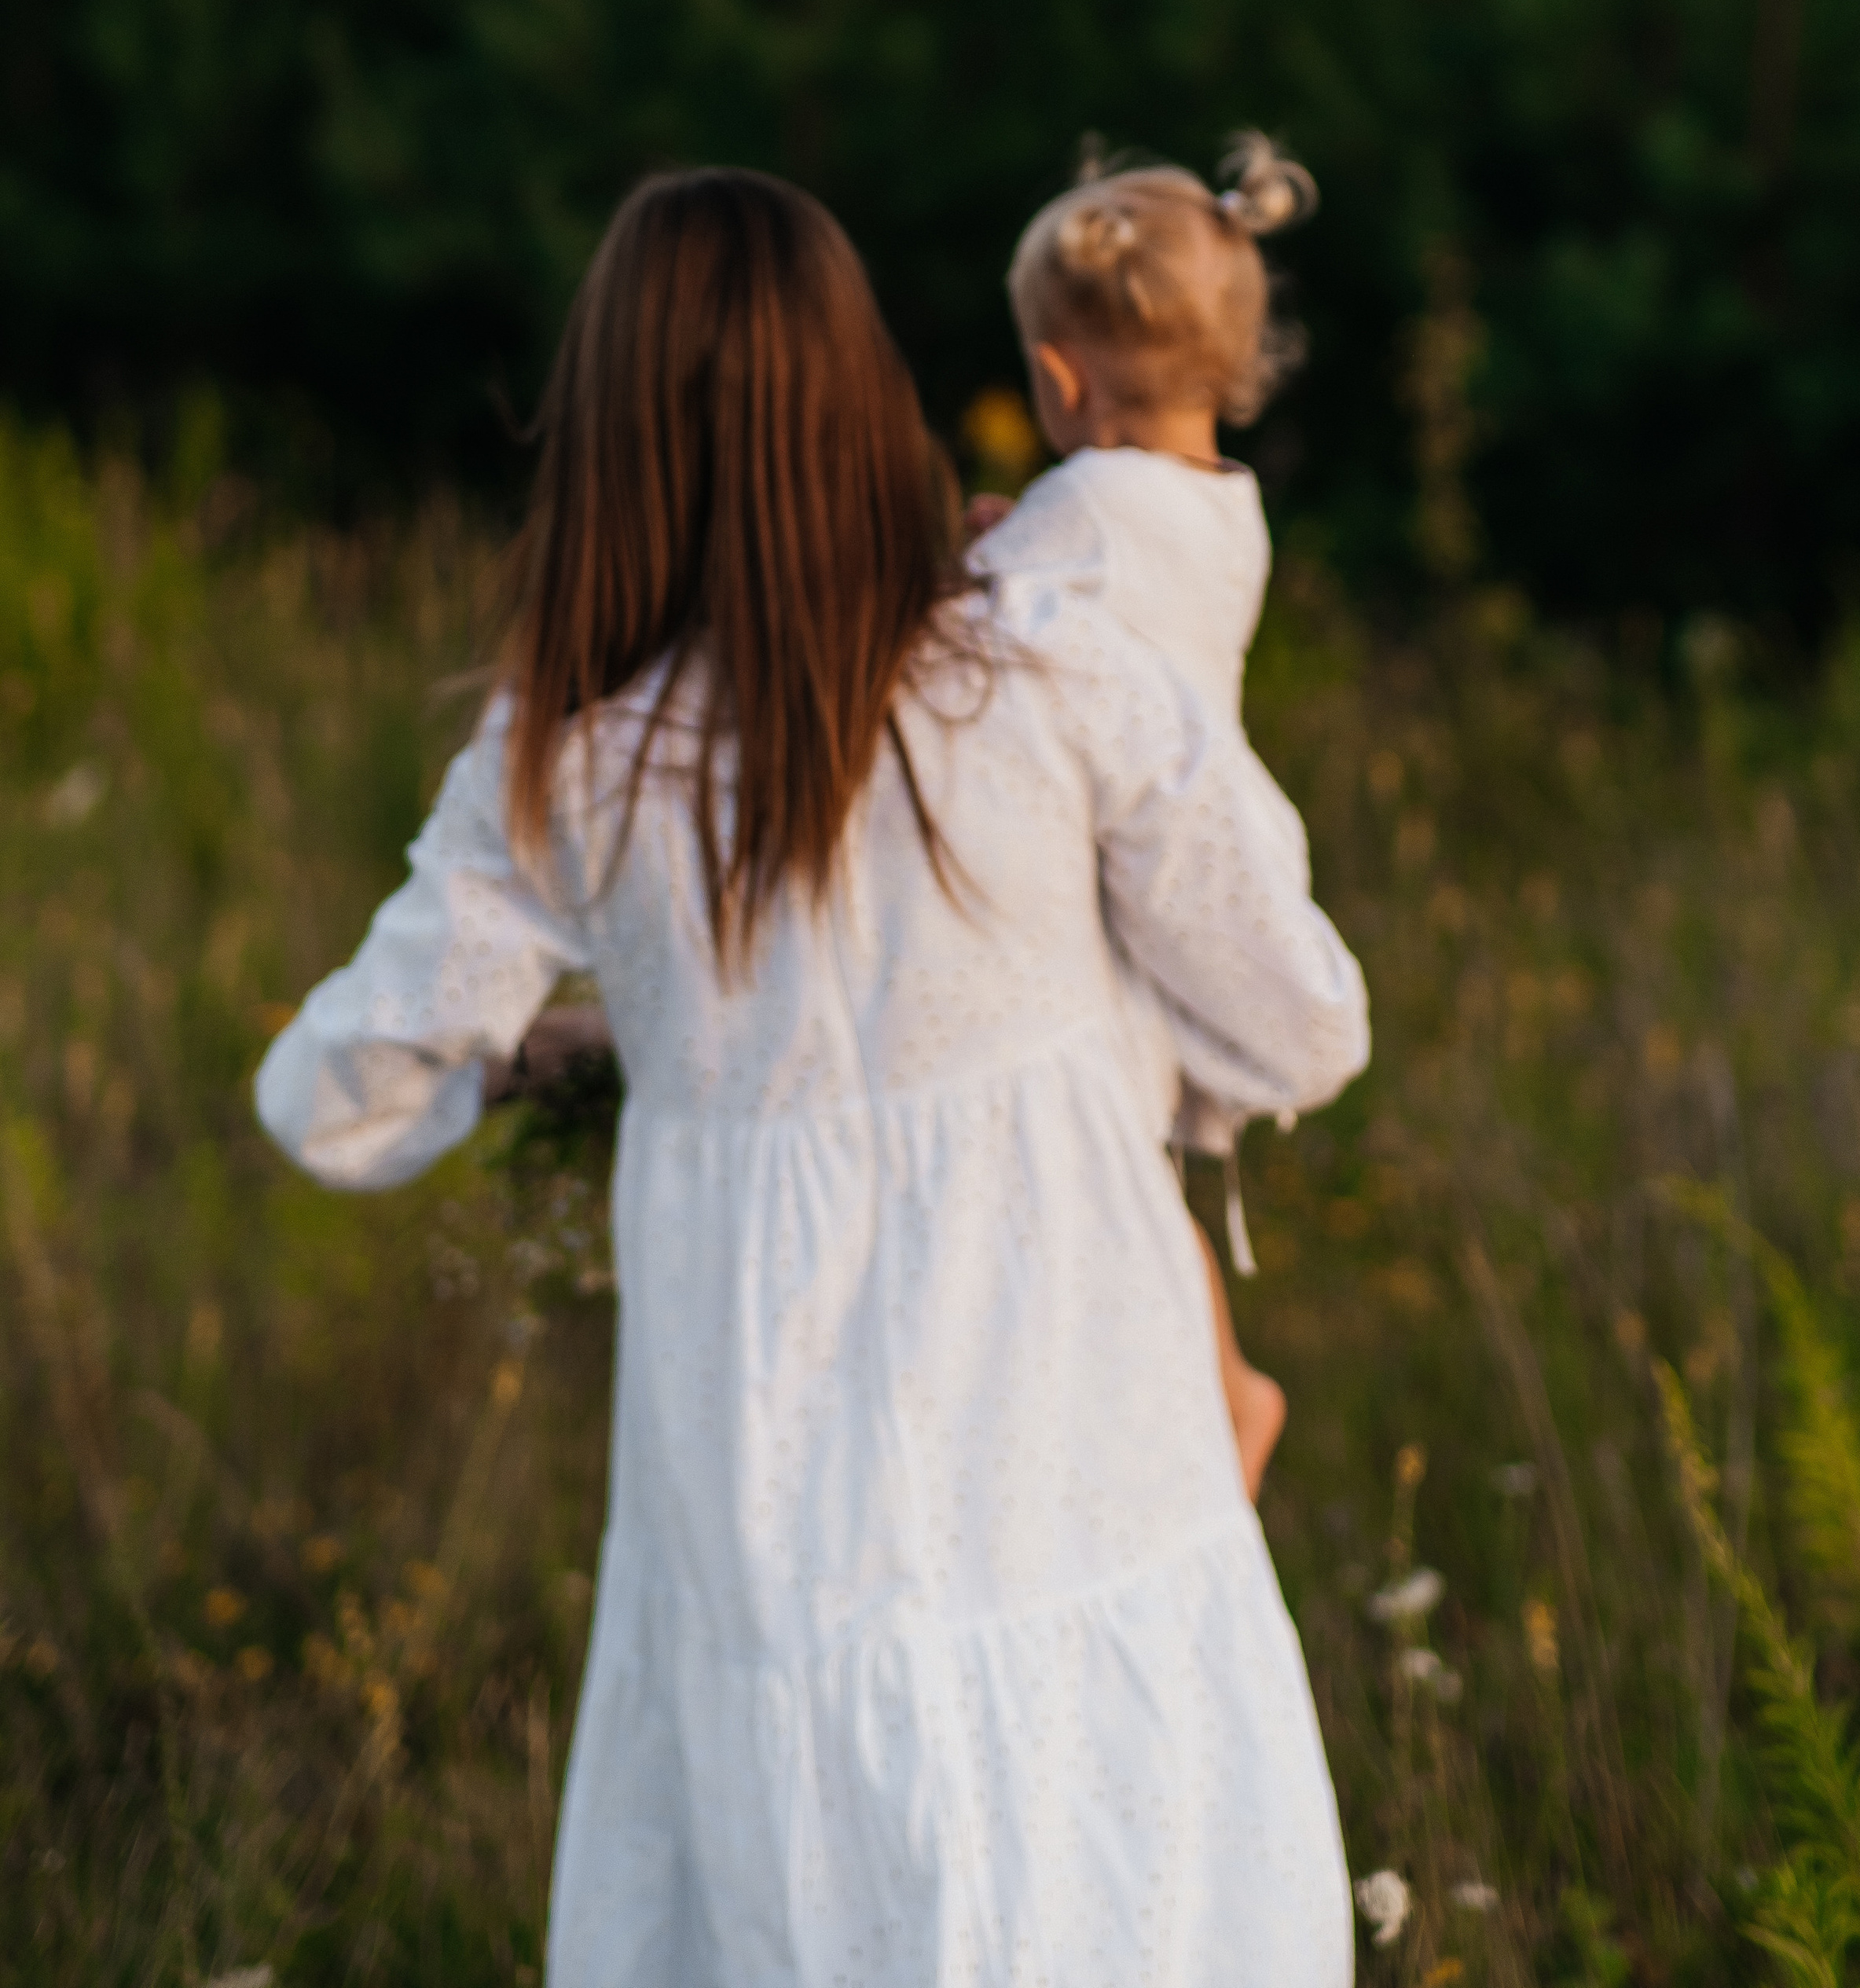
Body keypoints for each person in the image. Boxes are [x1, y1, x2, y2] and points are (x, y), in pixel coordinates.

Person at [255, 167, 1370, 1987]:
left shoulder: (566, 768)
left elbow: (335, 1103)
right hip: (1079, 1476)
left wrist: (541, 1063)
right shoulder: (1054, 667)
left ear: (610, 435)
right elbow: (1301, 1026)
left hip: (777, 1549)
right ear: (869, 397)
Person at [977, 130, 1321, 1502]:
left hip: (1125, 868)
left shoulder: (1086, 513)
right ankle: (1216, 1393)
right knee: (1138, 1172)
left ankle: (1226, 1395)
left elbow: (993, 633)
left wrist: (966, 556)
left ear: (1061, 381)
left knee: (1119, 1170)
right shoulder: (1217, 505)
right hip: (1212, 830)